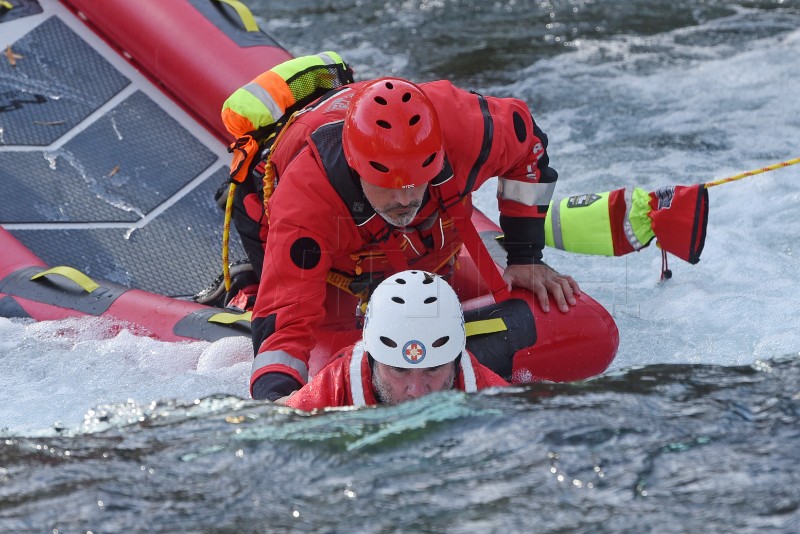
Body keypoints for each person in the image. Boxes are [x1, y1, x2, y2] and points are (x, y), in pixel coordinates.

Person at [234, 75, 581, 401]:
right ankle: (245, 285)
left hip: (427, 244)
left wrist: (525, 256)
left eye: (417, 180)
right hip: (330, 255)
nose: (404, 200)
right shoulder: (306, 201)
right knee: (322, 316)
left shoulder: (466, 128)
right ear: (356, 166)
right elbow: (286, 321)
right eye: (388, 186)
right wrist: (276, 404)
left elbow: (528, 146)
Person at [282, 270, 508, 410]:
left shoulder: (486, 391)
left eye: (434, 368)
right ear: (372, 361)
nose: (417, 391)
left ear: (457, 360)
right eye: (399, 370)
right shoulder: (335, 389)